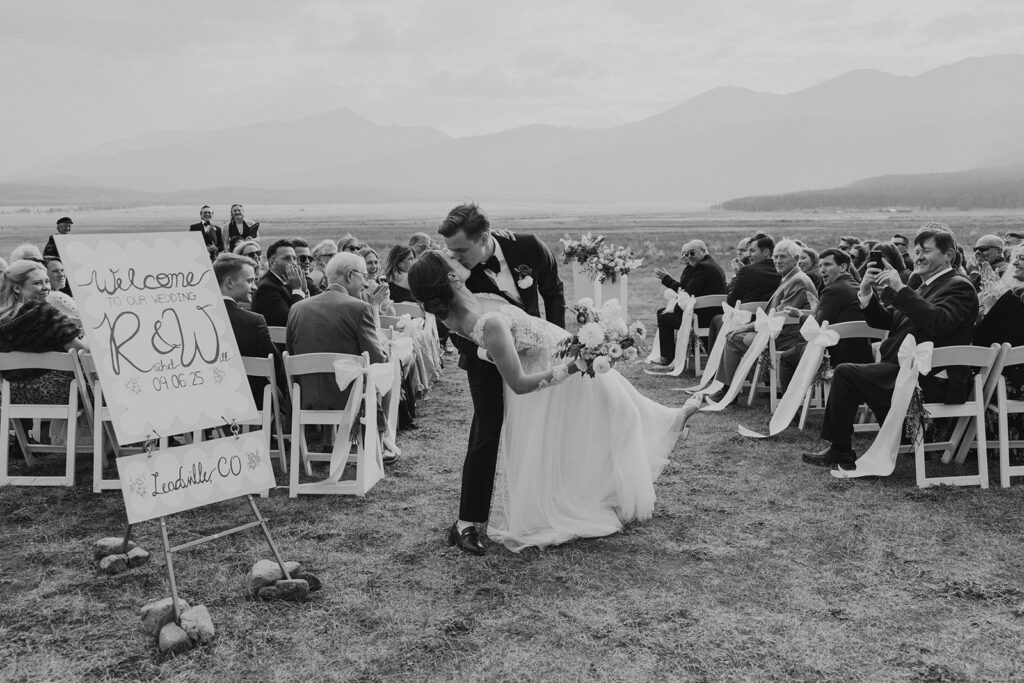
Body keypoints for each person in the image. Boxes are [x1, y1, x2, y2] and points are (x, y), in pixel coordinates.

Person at [409, 249, 698, 553]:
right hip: (553, 376)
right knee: (613, 412)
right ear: (451, 276)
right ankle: (663, 431)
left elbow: (488, 347)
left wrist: (492, 353)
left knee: (619, 402)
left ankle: (668, 423)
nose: (458, 257)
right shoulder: (482, 321)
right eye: (451, 259)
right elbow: (518, 384)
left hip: (559, 348)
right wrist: (574, 367)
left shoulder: (468, 295)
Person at [430, 203, 573, 555]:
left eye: (462, 250)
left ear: (484, 237)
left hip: (537, 348)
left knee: (546, 425)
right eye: (451, 250)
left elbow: (553, 291)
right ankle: (465, 522)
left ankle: (549, 502)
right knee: (487, 429)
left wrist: (560, 345)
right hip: (483, 356)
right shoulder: (452, 270)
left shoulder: (529, 247)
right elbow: (450, 320)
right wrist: (486, 352)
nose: (455, 257)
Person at [802, 223, 979, 468]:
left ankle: (841, 450)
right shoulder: (924, 286)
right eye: (916, 252)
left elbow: (940, 323)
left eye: (925, 251)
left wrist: (901, 288)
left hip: (934, 377)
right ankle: (906, 438)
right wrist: (865, 292)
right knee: (863, 375)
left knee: (846, 373)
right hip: (904, 370)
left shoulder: (959, 285)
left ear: (948, 255)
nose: (918, 257)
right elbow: (885, 320)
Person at [705, 239, 816, 402]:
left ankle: (728, 390)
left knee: (733, 338)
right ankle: (734, 387)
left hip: (786, 339)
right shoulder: (790, 277)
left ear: (796, 259)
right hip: (782, 334)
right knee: (736, 336)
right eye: (776, 257)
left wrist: (746, 328)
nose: (778, 261)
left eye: (783, 257)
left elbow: (778, 318)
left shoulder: (797, 280)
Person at [777, 248, 871, 389]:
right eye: (820, 265)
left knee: (786, 358)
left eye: (827, 265)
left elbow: (818, 329)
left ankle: (792, 407)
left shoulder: (831, 291)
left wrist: (800, 316)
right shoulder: (859, 288)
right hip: (864, 353)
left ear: (843, 267)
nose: (821, 270)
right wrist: (817, 309)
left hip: (833, 355)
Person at [0, 260, 88, 405]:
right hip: (61, 391)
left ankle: (66, 428)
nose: (46, 287)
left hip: (15, 395)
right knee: (111, 391)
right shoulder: (43, 312)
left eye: (47, 281)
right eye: (38, 283)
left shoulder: (3, 318)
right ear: (17, 288)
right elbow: (81, 352)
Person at [214, 253, 283, 409]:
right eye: (249, 281)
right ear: (229, 282)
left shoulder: (195, 318)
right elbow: (275, 365)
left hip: (210, 403)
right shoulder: (253, 321)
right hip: (251, 404)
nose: (254, 287)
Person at [650, 240, 726, 365]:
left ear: (703, 250)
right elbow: (688, 289)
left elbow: (688, 293)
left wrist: (675, 308)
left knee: (664, 317)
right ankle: (670, 355)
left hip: (702, 316)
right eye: (686, 254)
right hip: (711, 312)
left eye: (692, 253)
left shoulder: (703, 267)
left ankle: (668, 358)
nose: (689, 257)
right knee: (664, 313)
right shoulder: (710, 263)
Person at [707, 233, 781, 350]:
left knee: (716, 319)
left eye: (752, 251)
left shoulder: (746, 271)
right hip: (772, 323)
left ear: (766, 252)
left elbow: (731, 301)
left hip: (747, 322)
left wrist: (737, 275)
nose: (749, 255)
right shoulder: (781, 271)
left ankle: (714, 362)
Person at [251, 239, 307, 328]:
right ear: (272, 262)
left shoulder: (286, 282)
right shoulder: (266, 288)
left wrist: (304, 291)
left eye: (294, 258)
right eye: (287, 258)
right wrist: (297, 290)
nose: (293, 263)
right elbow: (290, 322)